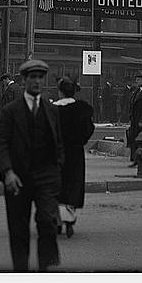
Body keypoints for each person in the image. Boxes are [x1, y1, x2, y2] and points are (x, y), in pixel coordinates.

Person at [0, 58, 64, 272]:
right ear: (24, 80)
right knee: (18, 229)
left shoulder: (51, 110)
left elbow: (59, 143)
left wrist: (56, 171)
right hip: (18, 177)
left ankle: (44, 269)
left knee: (47, 222)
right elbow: (2, 144)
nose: (36, 82)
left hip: (45, 176)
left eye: (40, 78)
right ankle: (21, 272)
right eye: (32, 77)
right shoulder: (10, 111)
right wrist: (7, 172)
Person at [53, 77, 95, 238]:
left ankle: (56, 221)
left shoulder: (53, 109)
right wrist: (80, 141)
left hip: (56, 153)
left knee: (57, 185)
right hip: (75, 153)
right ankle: (69, 220)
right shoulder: (82, 109)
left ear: (60, 92)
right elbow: (88, 129)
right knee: (73, 184)